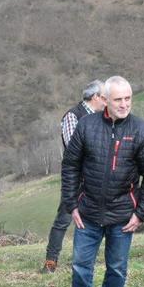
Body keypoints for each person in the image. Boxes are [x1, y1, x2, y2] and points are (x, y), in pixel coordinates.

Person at [52, 76, 144, 287]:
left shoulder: (142, 131)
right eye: (118, 100)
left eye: (128, 99)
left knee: (116, 267)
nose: (124, 104)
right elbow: (70, 166)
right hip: (87, 212)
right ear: (105, 101)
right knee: (81, 265)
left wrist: (141, 213)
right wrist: (72, 203)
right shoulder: (86, 126)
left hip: (123, 215)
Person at [41, 80, 105, 273]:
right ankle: (51, 260)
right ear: (95, 97)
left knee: (96, 218)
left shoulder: (103, 117)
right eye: (104, 97)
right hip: (77, 177)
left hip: (98, 175)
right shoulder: (72, 116)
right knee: (64, 216)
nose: (106, 101)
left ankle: (87, 259)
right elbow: (73, 148)